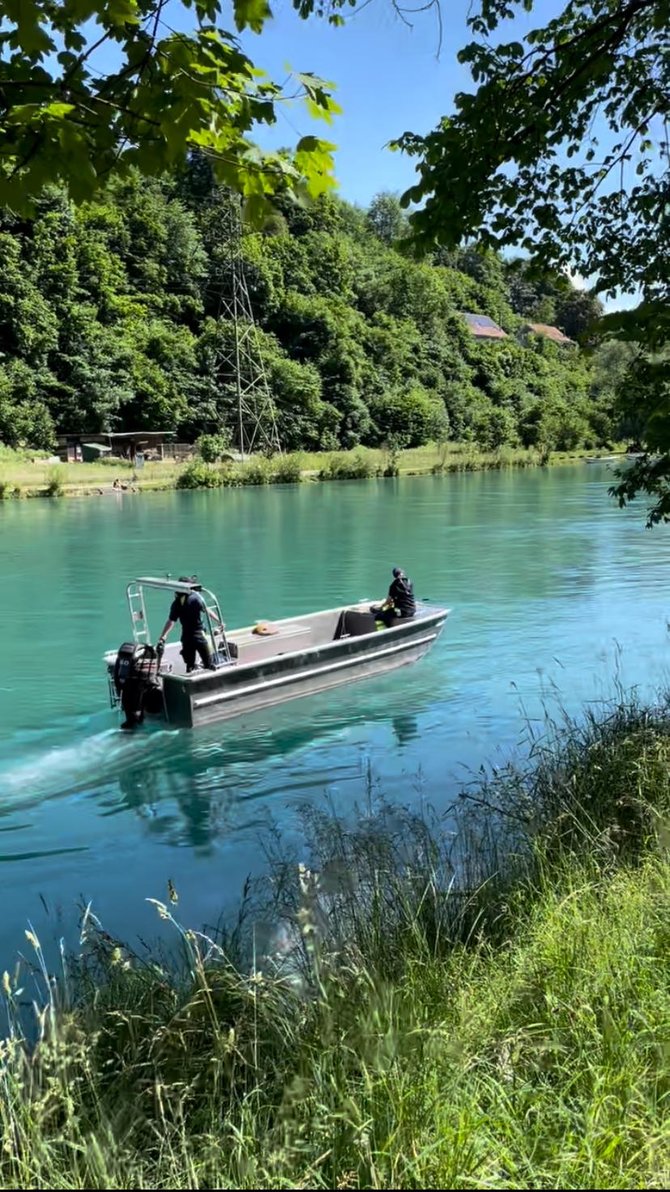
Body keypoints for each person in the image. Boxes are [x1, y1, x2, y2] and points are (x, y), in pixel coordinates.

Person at [157, 577, 223, 673]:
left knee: (189, 664)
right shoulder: (196, 599)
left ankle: (190, 675)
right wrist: (219, 621)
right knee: (208, 663)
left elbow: (171, 621)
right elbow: (207, 610)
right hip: (199, 635)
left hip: (186, 637)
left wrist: (163, 635)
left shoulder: (177, 603)